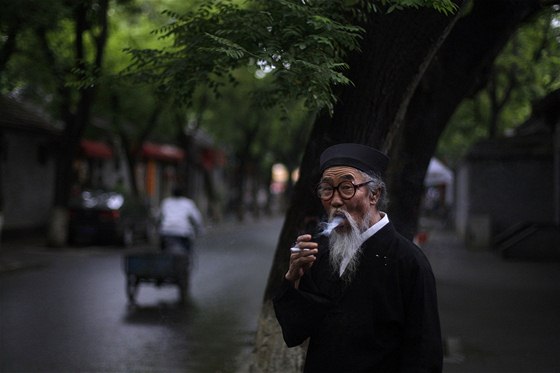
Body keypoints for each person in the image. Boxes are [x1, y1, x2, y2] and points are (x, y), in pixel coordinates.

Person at [273, 143, 442, 372]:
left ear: (374, 194)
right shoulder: (321, 252)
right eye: (326, 189)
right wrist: (292, 280)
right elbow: (296, 331)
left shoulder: (408, 262)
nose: (334, 201)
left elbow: (424, 355)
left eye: (346, 188)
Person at [158, 187, 204, 255]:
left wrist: (158, 227)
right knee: (187, 251)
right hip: (183, 231)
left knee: (163, 251)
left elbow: (159, 216)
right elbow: (197, 218)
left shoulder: (166, 202)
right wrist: (200, 229)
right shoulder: (188, 203)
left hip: (167, 231)